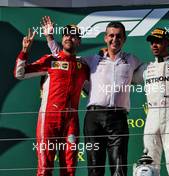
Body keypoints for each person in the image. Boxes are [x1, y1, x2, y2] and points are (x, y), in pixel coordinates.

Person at [42, 16, 142, 176]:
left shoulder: (132, 60)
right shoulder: (92, 60)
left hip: (118, 119)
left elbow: (152, 71)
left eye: (118, 36)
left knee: (119, 169)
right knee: (95, 170)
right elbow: (66, 59)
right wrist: (50, 38)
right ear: (105, 38)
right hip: (94, 118)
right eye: (111, 35)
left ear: (124, 39)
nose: (114, 39)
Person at [14, 25, 89, 176]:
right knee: (45, 169)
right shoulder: (50, 60)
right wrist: (24, 51)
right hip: (49, 119)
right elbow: (19, 73)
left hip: (71, 123)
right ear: (62, 39)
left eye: (73, 36)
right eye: (66, 35)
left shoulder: (83, 67)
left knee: (69, 169)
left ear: (79, 41)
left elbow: (95, 91)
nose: (69, 37)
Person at [133, 28, 169, 176]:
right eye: (152, 42)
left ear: (167, 42)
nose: (154, 45)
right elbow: (124, 74)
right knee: (149, 163)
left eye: (158, 42)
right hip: (152, 113)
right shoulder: (145, 68)